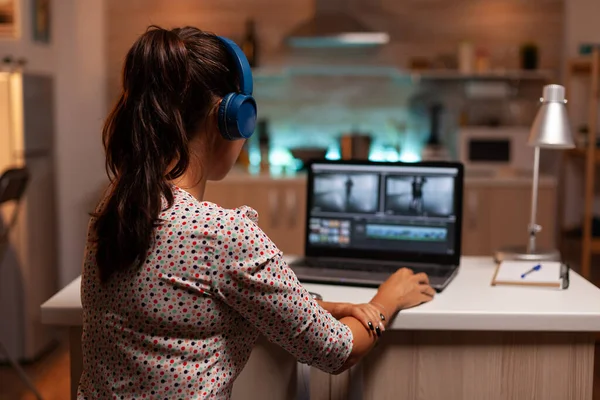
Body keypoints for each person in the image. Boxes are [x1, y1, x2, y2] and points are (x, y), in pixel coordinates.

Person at [79, 25, 435, 399]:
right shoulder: (222, 235)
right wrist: (386, 301)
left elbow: (188, 303)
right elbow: (337, 350)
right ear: (232, 117)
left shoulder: (117, 206)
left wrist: (327, 306)